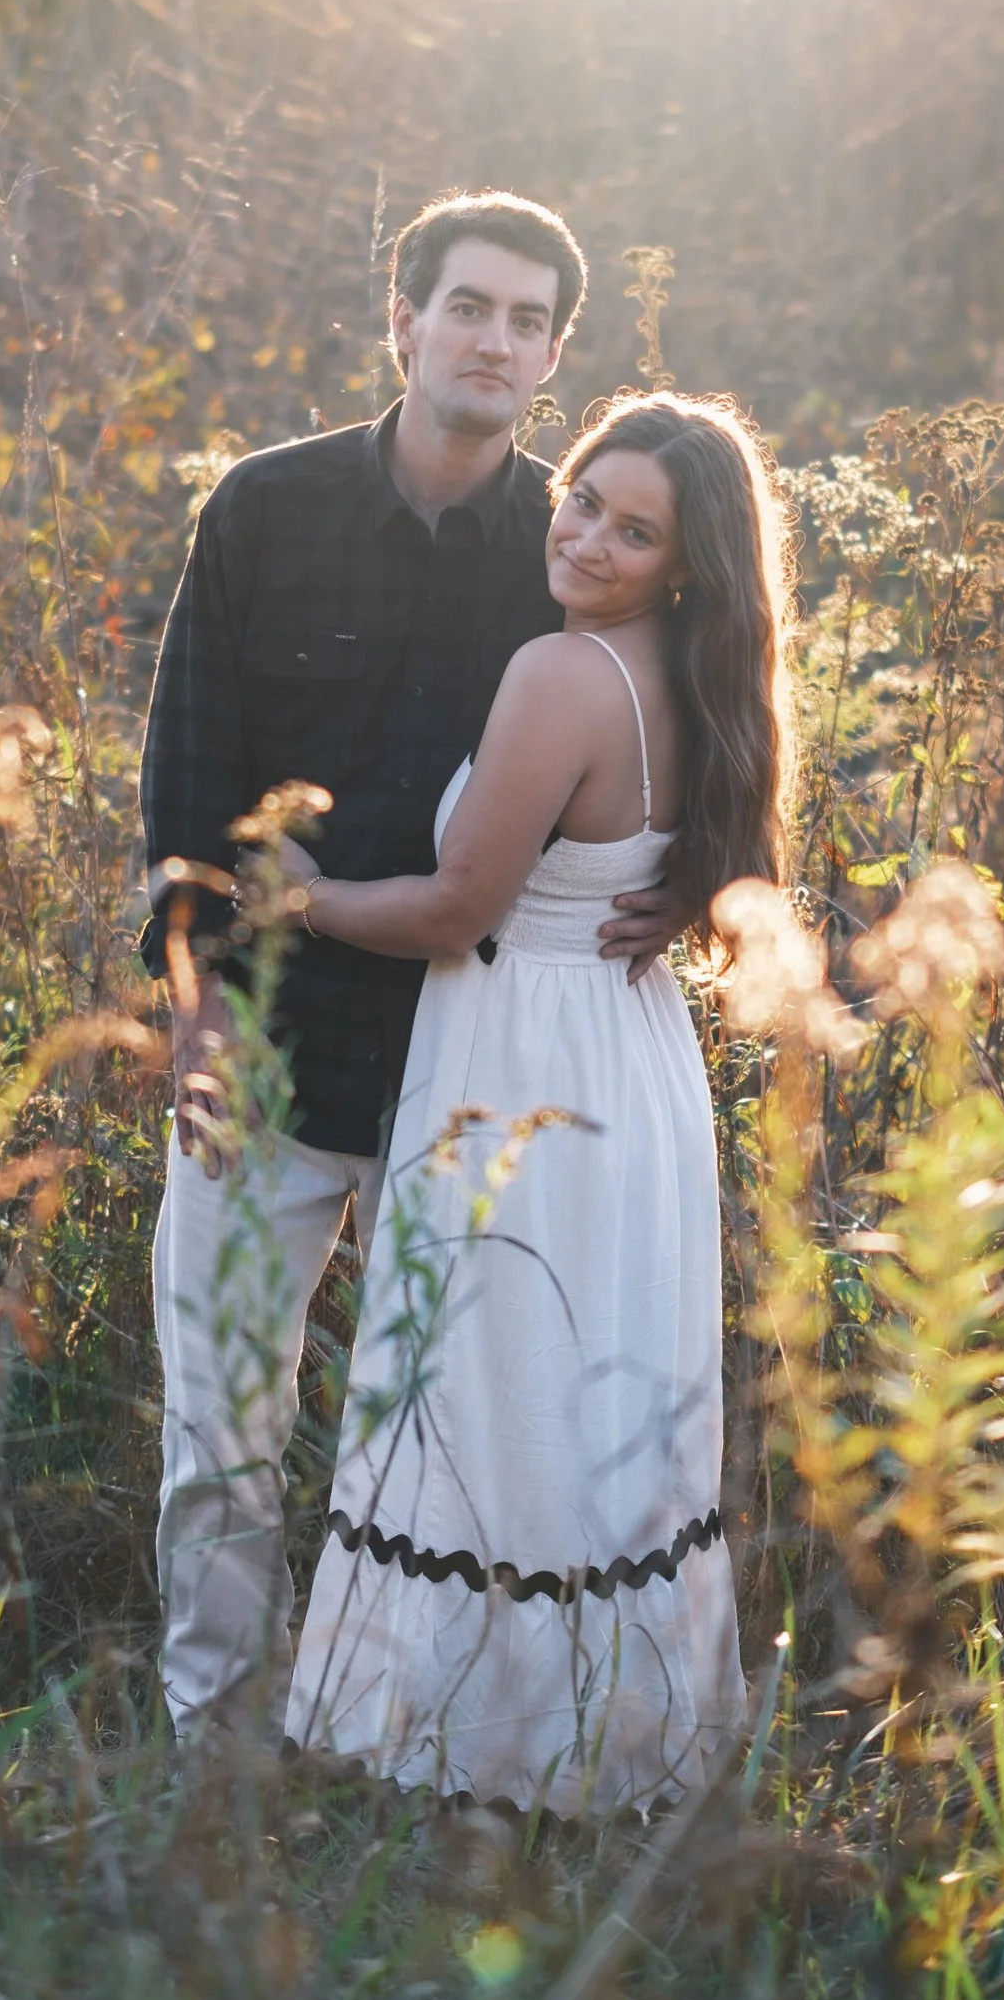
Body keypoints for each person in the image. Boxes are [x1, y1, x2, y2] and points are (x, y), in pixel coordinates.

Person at [138, 191, 678, 1732]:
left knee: (469, 1423)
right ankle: (216, 1745)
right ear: (405, 320)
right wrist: (189, 1015)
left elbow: (689, 710)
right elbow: (187, 785)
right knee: (225, 1422)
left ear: (555, 351)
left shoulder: (569, 547)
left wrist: (696, 877)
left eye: (526, 320)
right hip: (269, 1040)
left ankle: (419, 1741)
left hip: (478, 1058)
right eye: (468, 306)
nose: (494, 339)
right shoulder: (266, 509)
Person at [275, 394, 792, 1816]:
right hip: (627, 1058)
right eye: (584, 503)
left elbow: (457, 902)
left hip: (523, 1060)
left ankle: (479, 1747)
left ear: (687, 562)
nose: (589, 540)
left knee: (498, 1375)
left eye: (638, 531)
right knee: (595, 1384)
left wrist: (293, 896)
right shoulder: (703, 680)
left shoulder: (563, 675)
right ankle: (608, 1739)